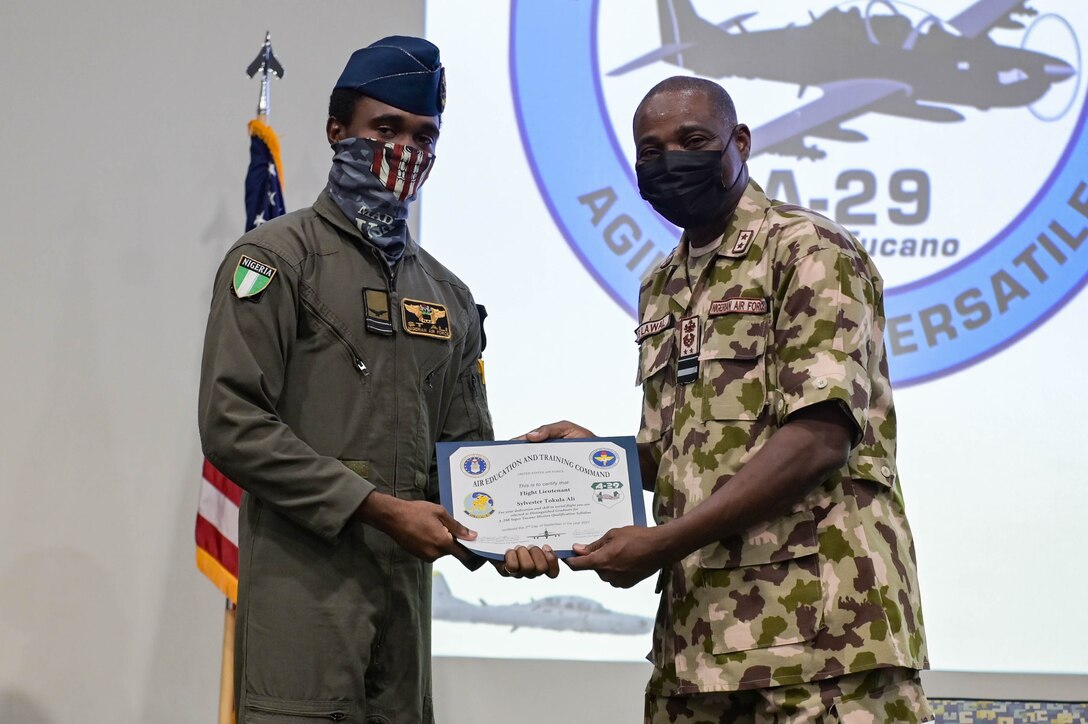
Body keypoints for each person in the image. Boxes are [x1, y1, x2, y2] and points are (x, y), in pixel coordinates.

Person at [528, 76, 930, 722]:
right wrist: (589, 465)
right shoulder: (664, 282)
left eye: (692, 141)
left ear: (738, 142)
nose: (671, 162)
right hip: (700, 642)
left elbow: (820, 438)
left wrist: (664, 542)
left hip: (820, 638)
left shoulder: (807, 251)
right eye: (650, 151)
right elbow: (682, 454)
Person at [198, 37, 555, 724]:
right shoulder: (275, 261)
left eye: (424, 135)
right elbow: (231, 424)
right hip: (304, 613)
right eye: (384, 129)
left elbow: (458, 465)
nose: (405, 150)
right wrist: (374, 507)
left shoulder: (448, 296)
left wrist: (516, 519)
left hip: (402, 630)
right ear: (338, 131)